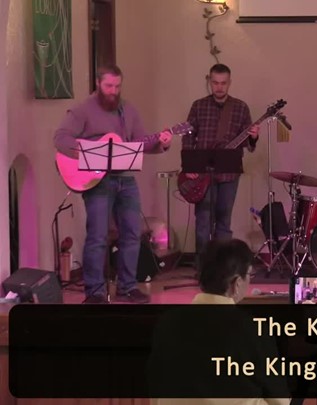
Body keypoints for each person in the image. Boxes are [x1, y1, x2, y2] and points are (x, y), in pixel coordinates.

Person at [54, 65, 172, 304]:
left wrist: (162, 142)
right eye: (109, 86)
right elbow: (61, 138)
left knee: (132, 234)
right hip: (97, 181)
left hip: (126, 179)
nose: (113, 91)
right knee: (97, 236)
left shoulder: (128, 110)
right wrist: (86, 151)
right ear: (98, 83)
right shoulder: (83, 110)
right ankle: (95, 291)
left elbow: (140, 142)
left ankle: (128, 286)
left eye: (117, 86)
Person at [149, 238, 290, 404]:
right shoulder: (253, 329)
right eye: (249, 275)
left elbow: (155, 389)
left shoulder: (166, 323)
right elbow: (281, 401)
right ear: (237, 283)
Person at [182, 63, 259, 258]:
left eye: (223, 83)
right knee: (203, 221)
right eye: (215, 82)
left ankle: (223, 267)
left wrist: (254, 137)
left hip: (229, 173)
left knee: (224, 222)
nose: (219, 87)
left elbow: (248, 143)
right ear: (210, 81)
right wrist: (189, 167)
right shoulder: (198, 106)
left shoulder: (240, 108)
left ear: (229, 83)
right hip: (203, 174)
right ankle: (203, 267)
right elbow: (188, 137)